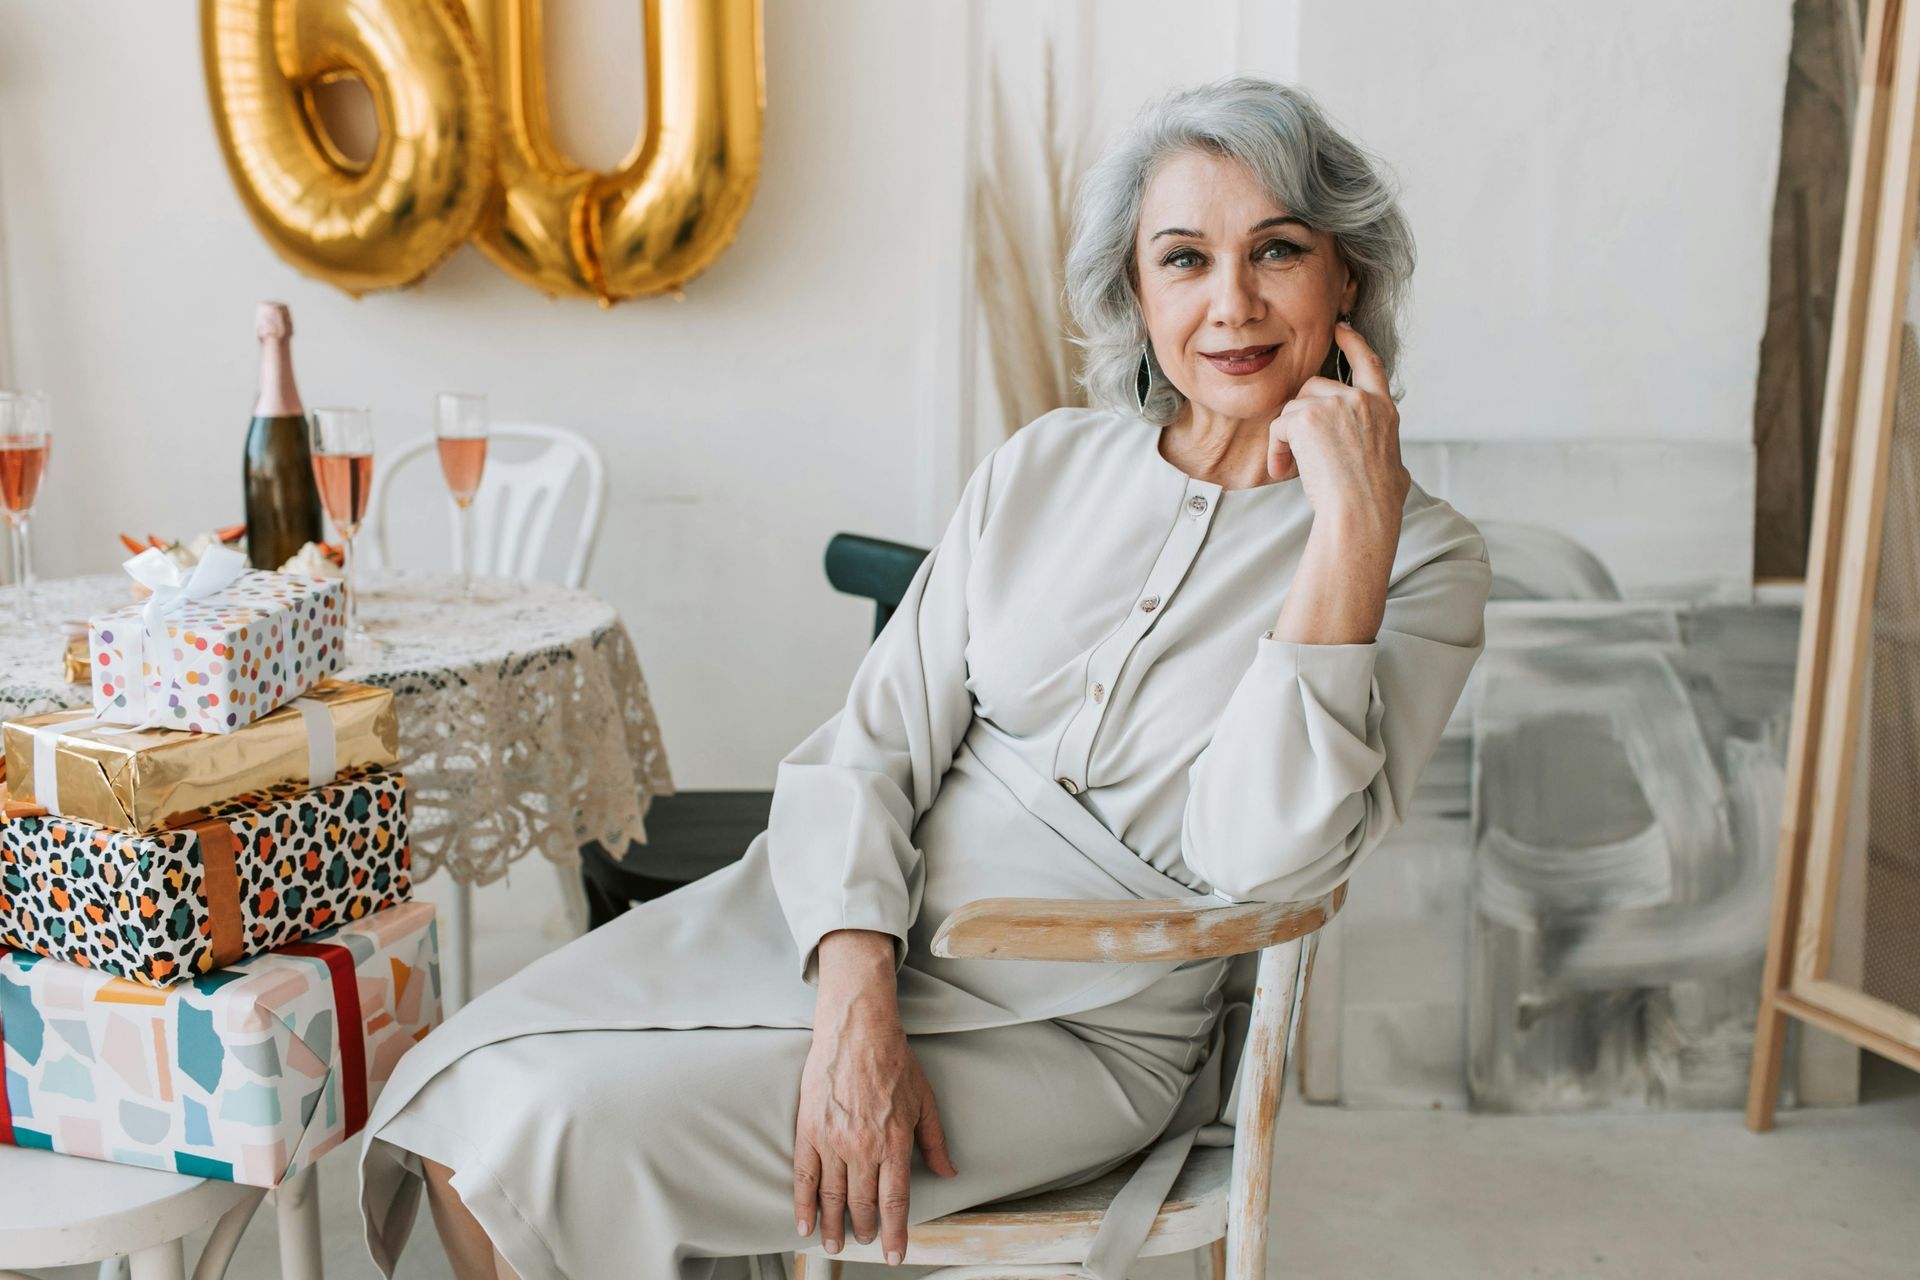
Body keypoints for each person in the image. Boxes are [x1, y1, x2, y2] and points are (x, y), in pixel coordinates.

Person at [359, 75, 1491, 1280]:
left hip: (1078, 1026)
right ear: (1135, 291)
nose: (1232, 304)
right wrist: (856, 985)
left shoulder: (1422, 559)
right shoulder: (1047, 462)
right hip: (845, 925)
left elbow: (1267, 858)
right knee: (466, 1079)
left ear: (1346, 277)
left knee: (545, 1128)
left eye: (1277, 250)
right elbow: (871, 745)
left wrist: (1349, 533)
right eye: (1184, 260)